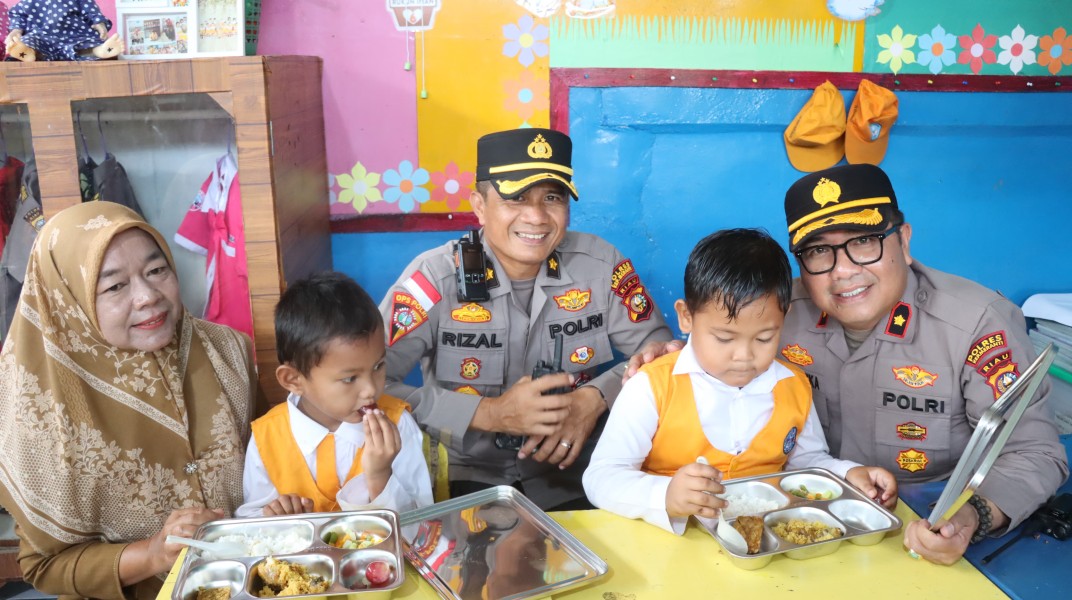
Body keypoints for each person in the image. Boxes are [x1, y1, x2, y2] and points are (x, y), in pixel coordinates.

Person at [627, 163, 1069, 564]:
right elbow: (705, 354)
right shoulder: (773, 314)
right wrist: (670, 355)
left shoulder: (975, 324)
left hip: (933, 521)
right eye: (819, 251)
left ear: (904, 239)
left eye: (864, 241)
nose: (842, 270)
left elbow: (1034, 452)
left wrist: (971, 519)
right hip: (798, 525)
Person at [381, 128, 674, 510]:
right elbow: (367, 389)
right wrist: (489, 413)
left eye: (552, 197)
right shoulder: (432, 280)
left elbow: (661, 359)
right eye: (516, 198)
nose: (536, 217)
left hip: (577, 468)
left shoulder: (601, 266)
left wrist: (595, 399)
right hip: (466, 475)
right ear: (480, 205)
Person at [0, 202, 255, 599]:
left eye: (156, 271)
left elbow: (273, 460)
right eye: (115, 286)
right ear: (69, 300)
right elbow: (45, 564)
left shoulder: (227, 352)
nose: (148, 296)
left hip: (254, 581)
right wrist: (151, 555)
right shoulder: (39, 407)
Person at [584, 229, 897, 533]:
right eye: (724, 338)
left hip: (760, 547)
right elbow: (601, 478)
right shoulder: (652, 386)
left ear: (783, 318)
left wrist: (848, 473)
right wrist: (664, 495)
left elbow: (808, 463)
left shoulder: (793, 386)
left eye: (764, 337)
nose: (744, 356)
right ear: (686, 317)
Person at [237, 272, 432, 517]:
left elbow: (422, 528)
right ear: (293, 380)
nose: (371, 389)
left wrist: (380, 476)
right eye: (349, 378)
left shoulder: (398, 424)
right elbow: (249, 525)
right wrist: (273, 518)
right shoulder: (267, 437)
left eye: (378, 366)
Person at [4, 0, 123, 62]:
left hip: (75, 35)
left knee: (90, 42)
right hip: (41, 36)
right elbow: (18, 14)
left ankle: (98, 51)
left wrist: (99, 23)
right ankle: (27, 53)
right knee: (28, 41)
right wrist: (16, 30)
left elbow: (91, 10)